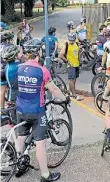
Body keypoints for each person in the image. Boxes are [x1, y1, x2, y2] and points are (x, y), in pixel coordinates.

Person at [16, 39, 69, 181]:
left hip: (20, 109)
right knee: (41, 143)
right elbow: (54, 89)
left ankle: (20, 164)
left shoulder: (19, 67)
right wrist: (64, 98)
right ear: (38, 53)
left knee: (21, 136)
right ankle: (45, 175)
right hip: (36, 111)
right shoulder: (42, 70)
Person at [59, 32, 84, 101]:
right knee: (71, 80)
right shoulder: (66, 45)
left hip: (76, 64)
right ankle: (74, 94)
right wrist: (67, 61)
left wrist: (80, 60)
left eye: (72, 40)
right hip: (70, 65)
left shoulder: (76, 44)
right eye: (70, 40)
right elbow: (61, 55)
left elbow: (78, 53)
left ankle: (70, 91)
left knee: (74, 79)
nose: (71, 41)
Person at [0, 45, 20, 109]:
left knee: (14, 118)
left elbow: (2, 93)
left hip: (12, 98)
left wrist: (2, 109)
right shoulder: (22, 66)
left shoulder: (4, 71)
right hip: (25, 98)